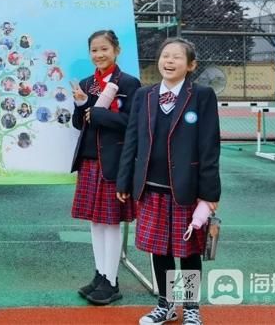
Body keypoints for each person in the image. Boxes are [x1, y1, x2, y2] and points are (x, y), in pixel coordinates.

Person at [117, 37, 220, 325]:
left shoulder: (202, 96)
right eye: (165, 56)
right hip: (151, 188)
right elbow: (133, 141)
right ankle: (165, 304)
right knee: (158, 248)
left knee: (187, 251)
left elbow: (210, 145)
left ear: (191, 65)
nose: (169, 61)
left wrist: (209, 193)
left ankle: (190, 308)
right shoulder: (144, 95)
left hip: (186, 189)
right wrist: (125, 181)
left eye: (177, 57)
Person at [70, 29, 141, 305]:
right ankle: (100, 274)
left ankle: (112, 281)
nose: (99, 55)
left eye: (104, 49)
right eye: (94, 50)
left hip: (114, 162)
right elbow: (81, 124)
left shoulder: (129, 84)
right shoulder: (87, 83)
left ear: (116, 51)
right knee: (95, 221)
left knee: (110, 222)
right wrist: (80, 105)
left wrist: (100, 114)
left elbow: (132, 125)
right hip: (89, 160)